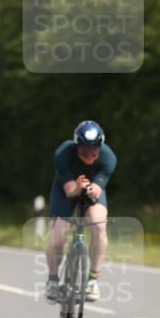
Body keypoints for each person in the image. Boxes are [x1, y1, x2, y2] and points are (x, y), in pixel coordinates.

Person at [44, 121, 116, 304]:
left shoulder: (109, 158)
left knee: (99, 226)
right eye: (84, 150)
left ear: (101, 146)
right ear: (76, 145)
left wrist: (92, 190)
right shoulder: (63, 154)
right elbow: (69, 192)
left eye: (94, 151)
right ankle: (53, 280)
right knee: (58, 237)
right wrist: (77, 188)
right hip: (66, 190)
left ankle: (92, 280)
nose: (90, 155)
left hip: (92, 188)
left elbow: (99, 190)